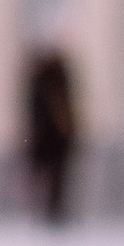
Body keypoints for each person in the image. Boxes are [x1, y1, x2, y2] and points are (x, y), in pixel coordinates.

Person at [23, 45, 79, 227]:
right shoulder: (52, 82)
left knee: (53, 177)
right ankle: (49, 210)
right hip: (52, 139)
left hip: (52, 140)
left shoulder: (47, 81)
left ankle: (50, 210)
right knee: (52, 176)